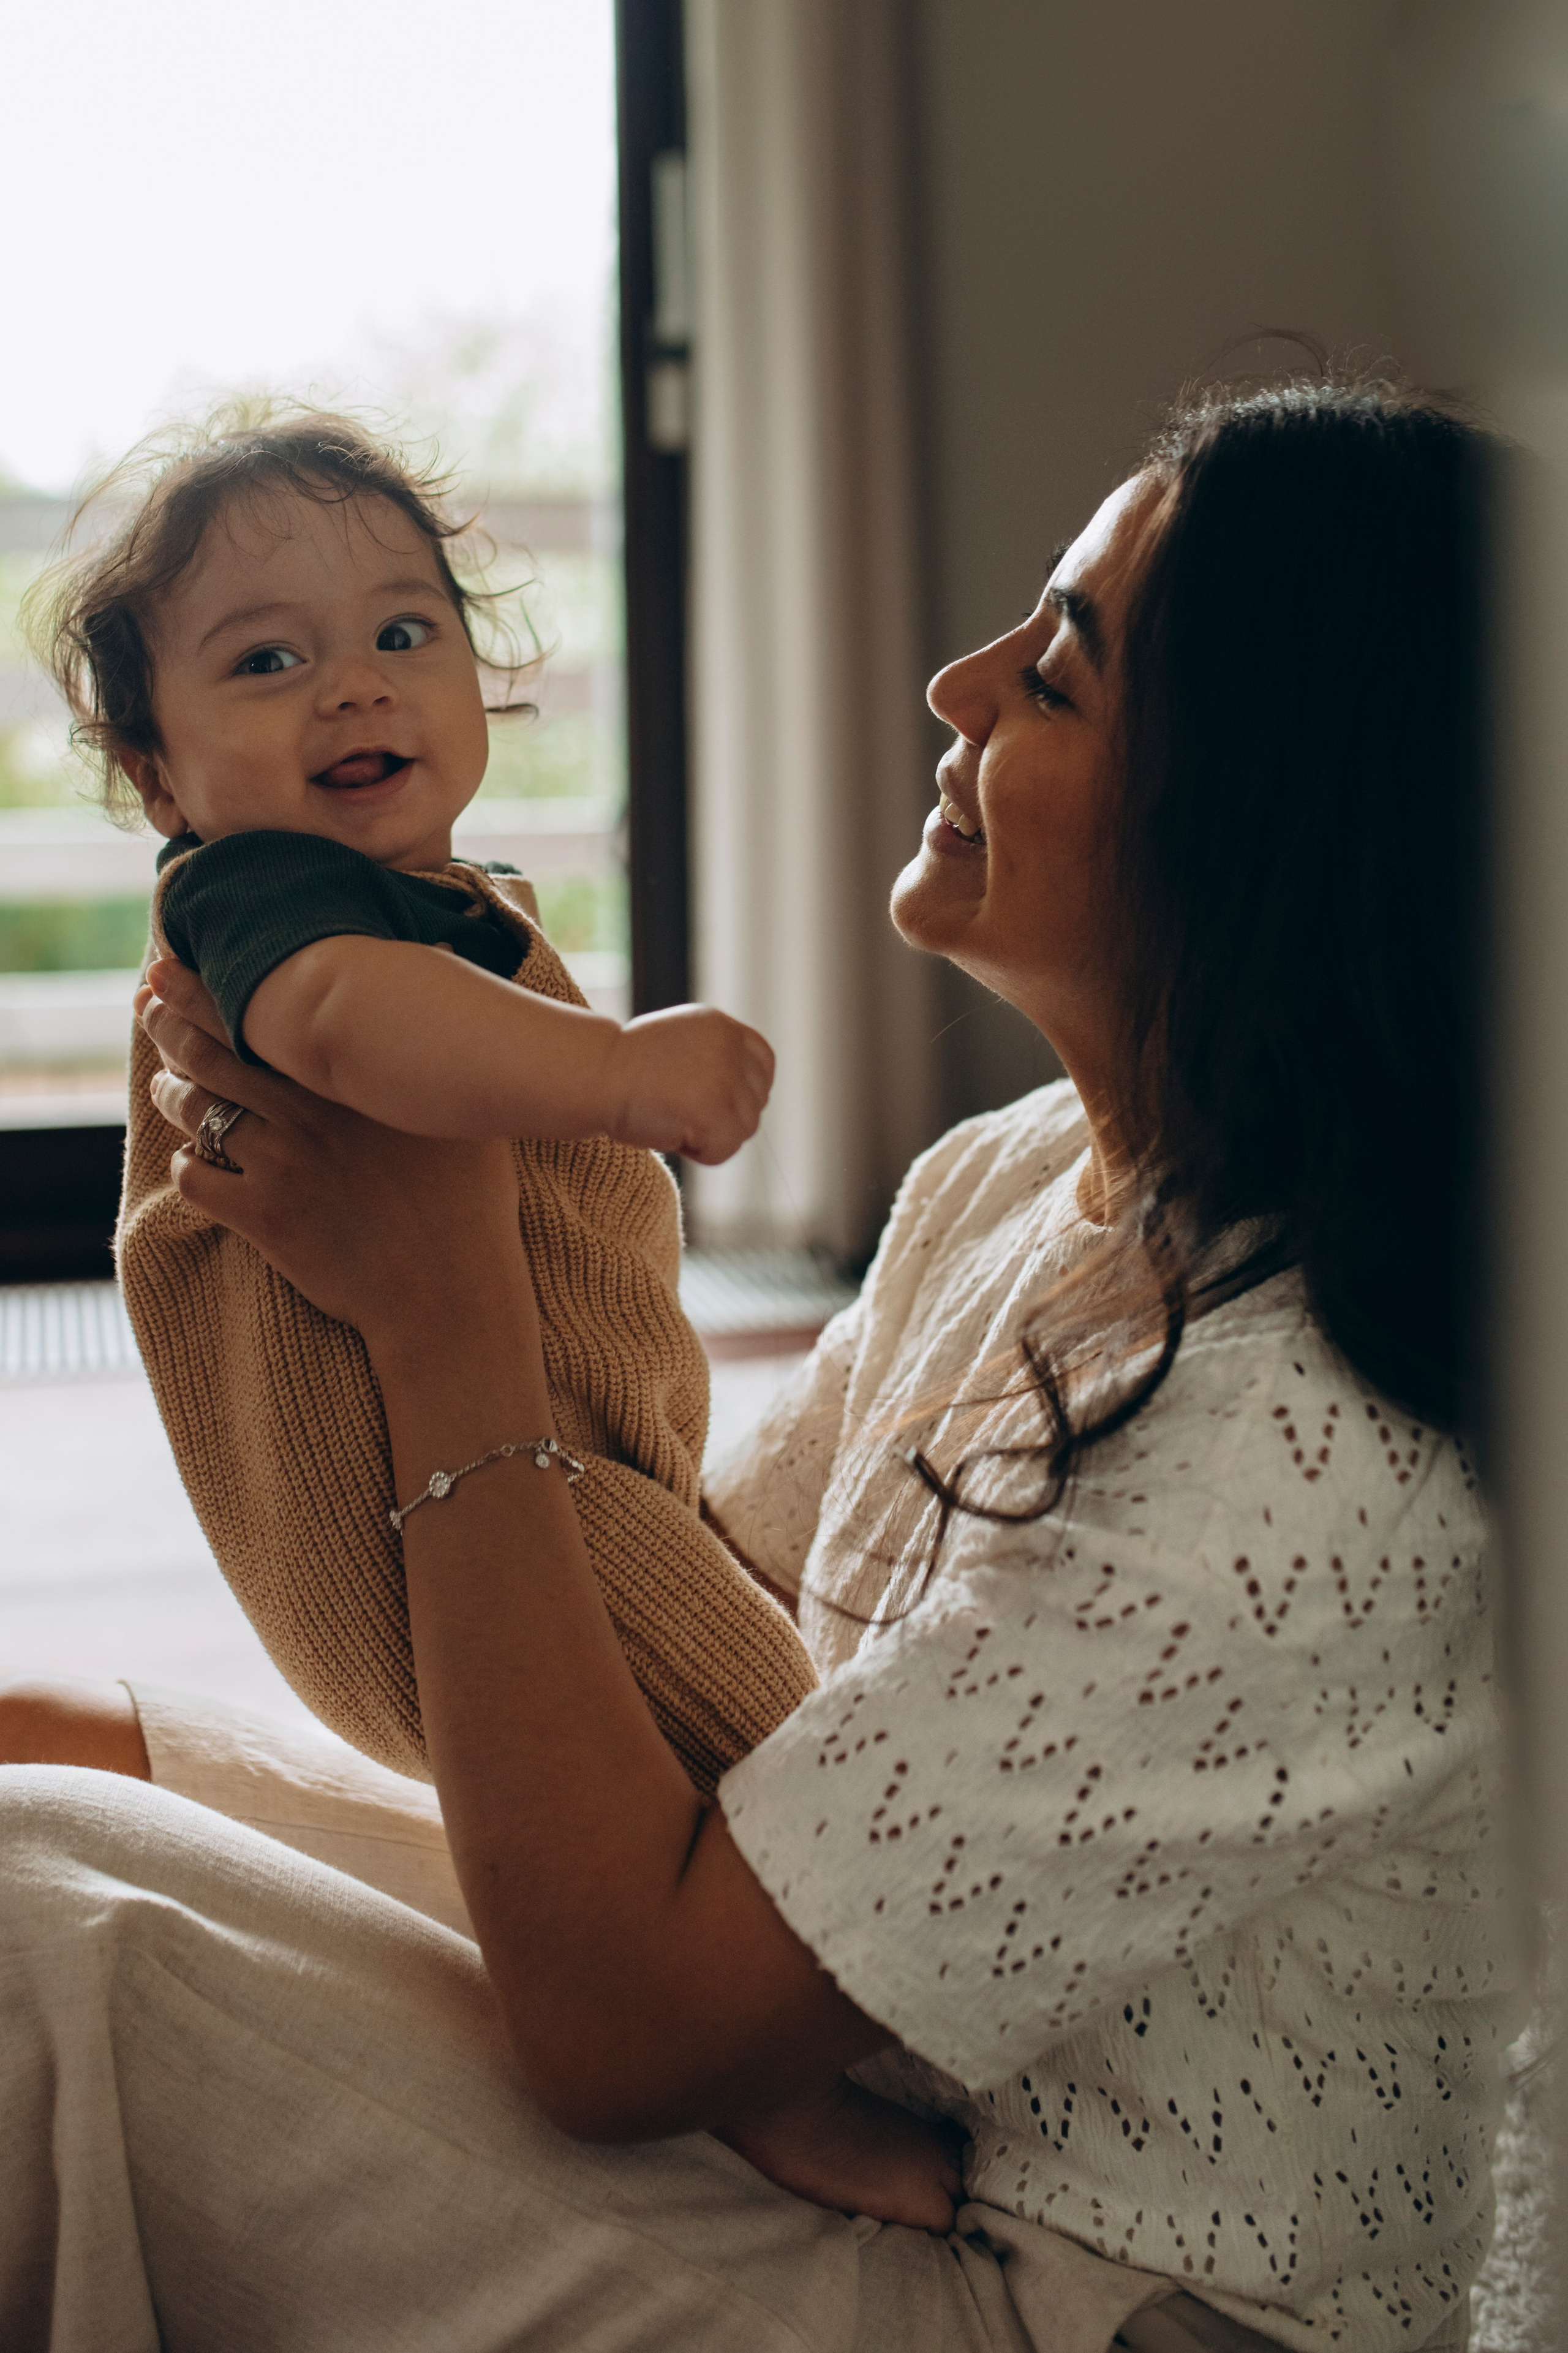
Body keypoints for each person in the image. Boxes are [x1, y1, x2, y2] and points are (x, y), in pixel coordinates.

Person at [0, 373, 1514, 2353]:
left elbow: (625, 2026)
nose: (954, 688)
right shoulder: (1016, 1176)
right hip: (830, 2026)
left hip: (1036, 2280)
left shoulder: (1300, 1454)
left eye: (1055, 673)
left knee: (38, 1924)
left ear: (1273, 800)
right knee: (47, 1734)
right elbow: (713, 1608)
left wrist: (445, 1309)